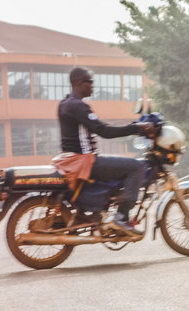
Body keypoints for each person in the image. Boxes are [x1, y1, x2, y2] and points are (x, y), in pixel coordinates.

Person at [56, 67, 153, 236]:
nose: (93, 85)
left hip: (74, 159)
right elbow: (104, 131)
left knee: (119, 166)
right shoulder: (77, 106)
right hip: (84, 161)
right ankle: (121, 218)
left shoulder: (65, 103)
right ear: (78, 83)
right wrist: (136, 128)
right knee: (136, 167)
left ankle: (103, 210)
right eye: (89, 82)